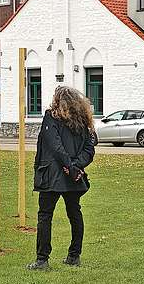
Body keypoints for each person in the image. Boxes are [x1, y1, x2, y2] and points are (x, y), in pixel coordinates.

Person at [27, 86, 97, 270]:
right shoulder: (83, 122)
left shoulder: (52, 118)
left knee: (45, 215)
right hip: (70, 175)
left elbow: (55, 146)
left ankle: (43, 259)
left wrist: (71, 167)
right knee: (74, 212)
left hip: (53, 175)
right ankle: (74, 255)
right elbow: (88, 151)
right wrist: (75, 167)